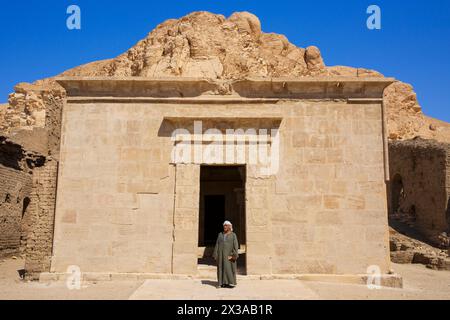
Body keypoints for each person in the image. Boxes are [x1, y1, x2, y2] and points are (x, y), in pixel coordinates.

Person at [213, 220, 239, 288]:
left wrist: (234, 255)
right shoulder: (220, 234)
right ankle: (221, 283)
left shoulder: (233, 235)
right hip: (221, 256)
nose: (225, 227)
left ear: (230, 226)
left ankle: (231, 283)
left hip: (229, 255)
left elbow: (235, 246)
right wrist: (215, 255)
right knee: (221, 268)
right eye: (224, 225)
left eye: (226, 225)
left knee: (229, 269)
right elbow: (217, 244)